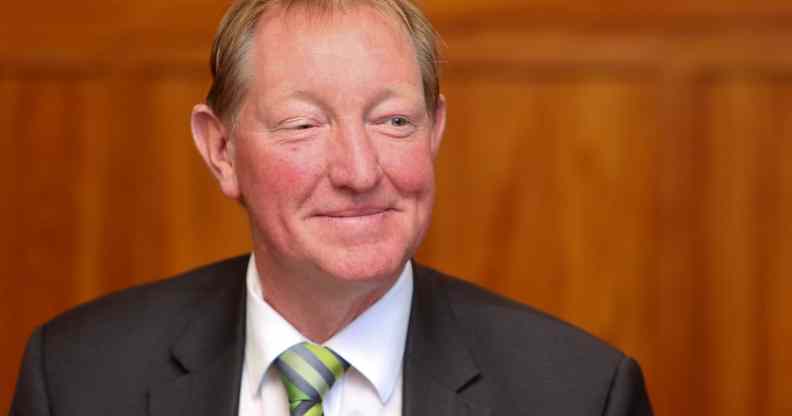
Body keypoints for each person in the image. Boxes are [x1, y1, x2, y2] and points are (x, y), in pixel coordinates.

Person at [10, 0, 652, 415]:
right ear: (222, 150)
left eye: (394, 120)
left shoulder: (578, 395)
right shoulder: (75, 380)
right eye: (302, 125)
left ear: (434, 131)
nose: (359, 170)